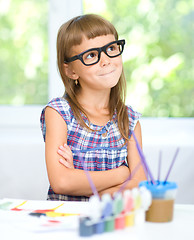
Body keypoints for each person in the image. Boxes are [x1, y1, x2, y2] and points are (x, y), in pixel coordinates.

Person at [40, 14, 146, 201]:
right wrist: (121, 174)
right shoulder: (59, 113)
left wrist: (81, 182)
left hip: (112, 222)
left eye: (111, 48)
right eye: (91, 55)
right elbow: (62, 183)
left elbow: (139, 185)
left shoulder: (129, 120)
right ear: (71, 71)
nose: (106, 60)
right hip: (67, 223)